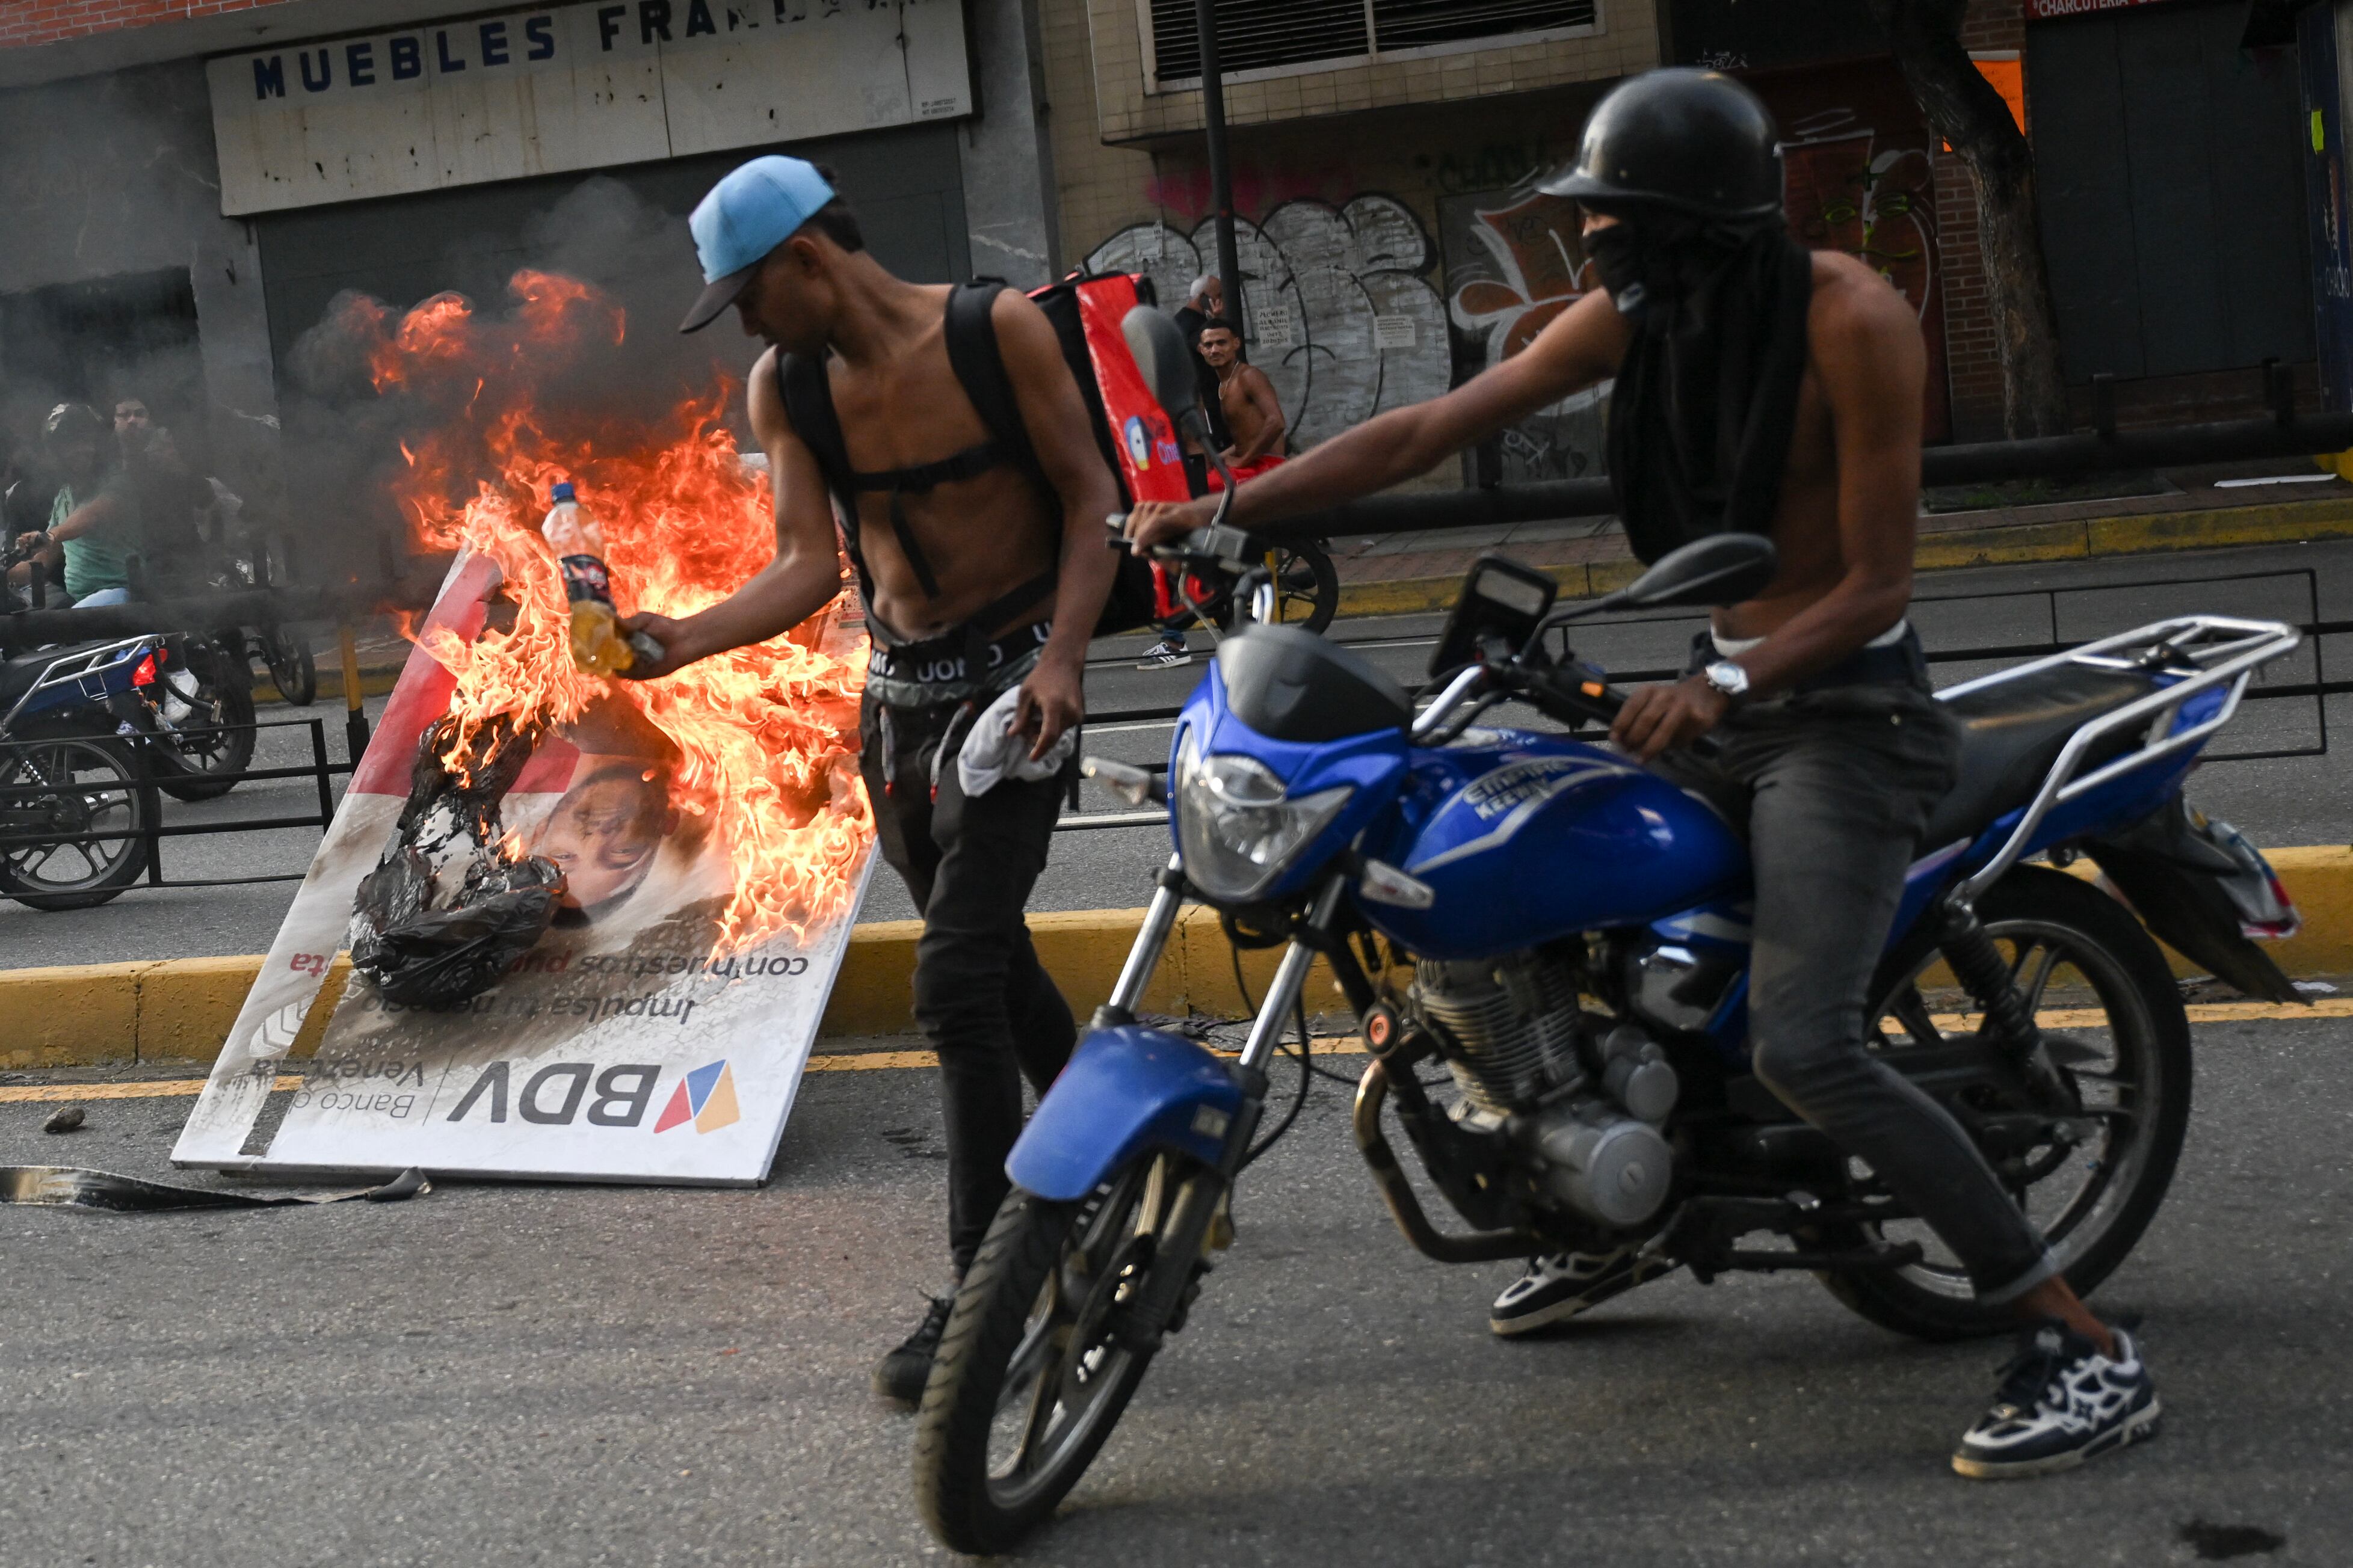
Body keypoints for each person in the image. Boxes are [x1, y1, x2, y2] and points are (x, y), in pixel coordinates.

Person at [1125, 68, 2157, 1482]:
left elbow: (1871, 583)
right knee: (1538, 908)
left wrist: (1726, 679)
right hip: (1714, 691)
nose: (1590, 244)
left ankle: (2076, 1345)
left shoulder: (1847, 319)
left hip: (1841, 718)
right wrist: (1222, 505)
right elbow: (1432, 429)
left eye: (1612, 218)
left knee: (1805, 1043)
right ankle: (1600, 1208)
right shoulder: (1647, 313)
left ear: (1689, 226)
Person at [621, 156, 1121, 1403]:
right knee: (994, 966)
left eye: (746, 294)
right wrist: (682, 637)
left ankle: (980, 1299)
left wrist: (1062, 660)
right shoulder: (785, 383)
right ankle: (1106, 1145)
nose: (740, 321)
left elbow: (1087, 499)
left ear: (805, 258)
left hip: (1015, 702)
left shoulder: (989, 331)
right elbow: (806, 564)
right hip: (899, 714)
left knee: (955, 983)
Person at [4, 403, 141, 607]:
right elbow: (43, 561)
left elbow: (91, 516)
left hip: (122, 596)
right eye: (71, 442)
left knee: (59, 633)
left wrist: (50, 536)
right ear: (55, 452)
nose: (83, 448)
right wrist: (4, 573)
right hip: (84, 604)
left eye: (87, 440)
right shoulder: (62, 499)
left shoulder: (117, 483)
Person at [1197, 321, 1286, 484]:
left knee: (1202, 491)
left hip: (1267, 466)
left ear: (1236, 343)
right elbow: (1247, 438)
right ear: (1201, 350)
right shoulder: (1225, 383)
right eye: (1208, 345)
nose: (1214, 350)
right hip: (1249, 464)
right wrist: (1221, 457)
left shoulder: (1248, 376)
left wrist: (1243, 460)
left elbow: (1277, 422)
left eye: (1221, 343)